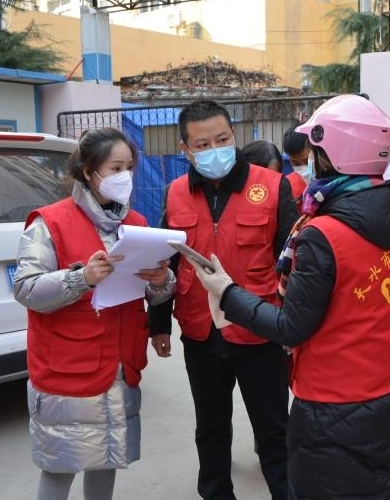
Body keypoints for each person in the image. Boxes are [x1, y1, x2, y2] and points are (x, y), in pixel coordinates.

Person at [183, 94, 390, 500]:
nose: (309, 160)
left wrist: (228, 294)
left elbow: (291, 327)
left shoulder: (324, 233)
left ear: (332, 154)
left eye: (314, 151)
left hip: (333, 404)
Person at [13, 127, 176, 500]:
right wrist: (81, 278)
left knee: (106, 458)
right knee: (60, 465)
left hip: (120, 364)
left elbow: (156, 293)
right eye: (115, 168)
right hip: (69, 366)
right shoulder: (50, 223)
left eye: (129, 167)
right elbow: (26, 289)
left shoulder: (137, 224)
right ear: (89, 171)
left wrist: (161, 280)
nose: (125, 176)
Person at [148, 100, 298, 500]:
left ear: (234, 136)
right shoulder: (176, 193)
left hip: (259, 331)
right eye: (202, 145)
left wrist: (291, 328)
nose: (214, 149)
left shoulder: (273, 186)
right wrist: (159, 324)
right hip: (200, 333)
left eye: (222, 139)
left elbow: (291, 264)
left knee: (274, 433)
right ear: (185, 149)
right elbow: (166, 262)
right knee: (211, 430)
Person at [282, 126, 312, 211]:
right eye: (296, 163)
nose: (303, 167)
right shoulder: (287, 185)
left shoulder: (335, 183)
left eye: (307, 161)